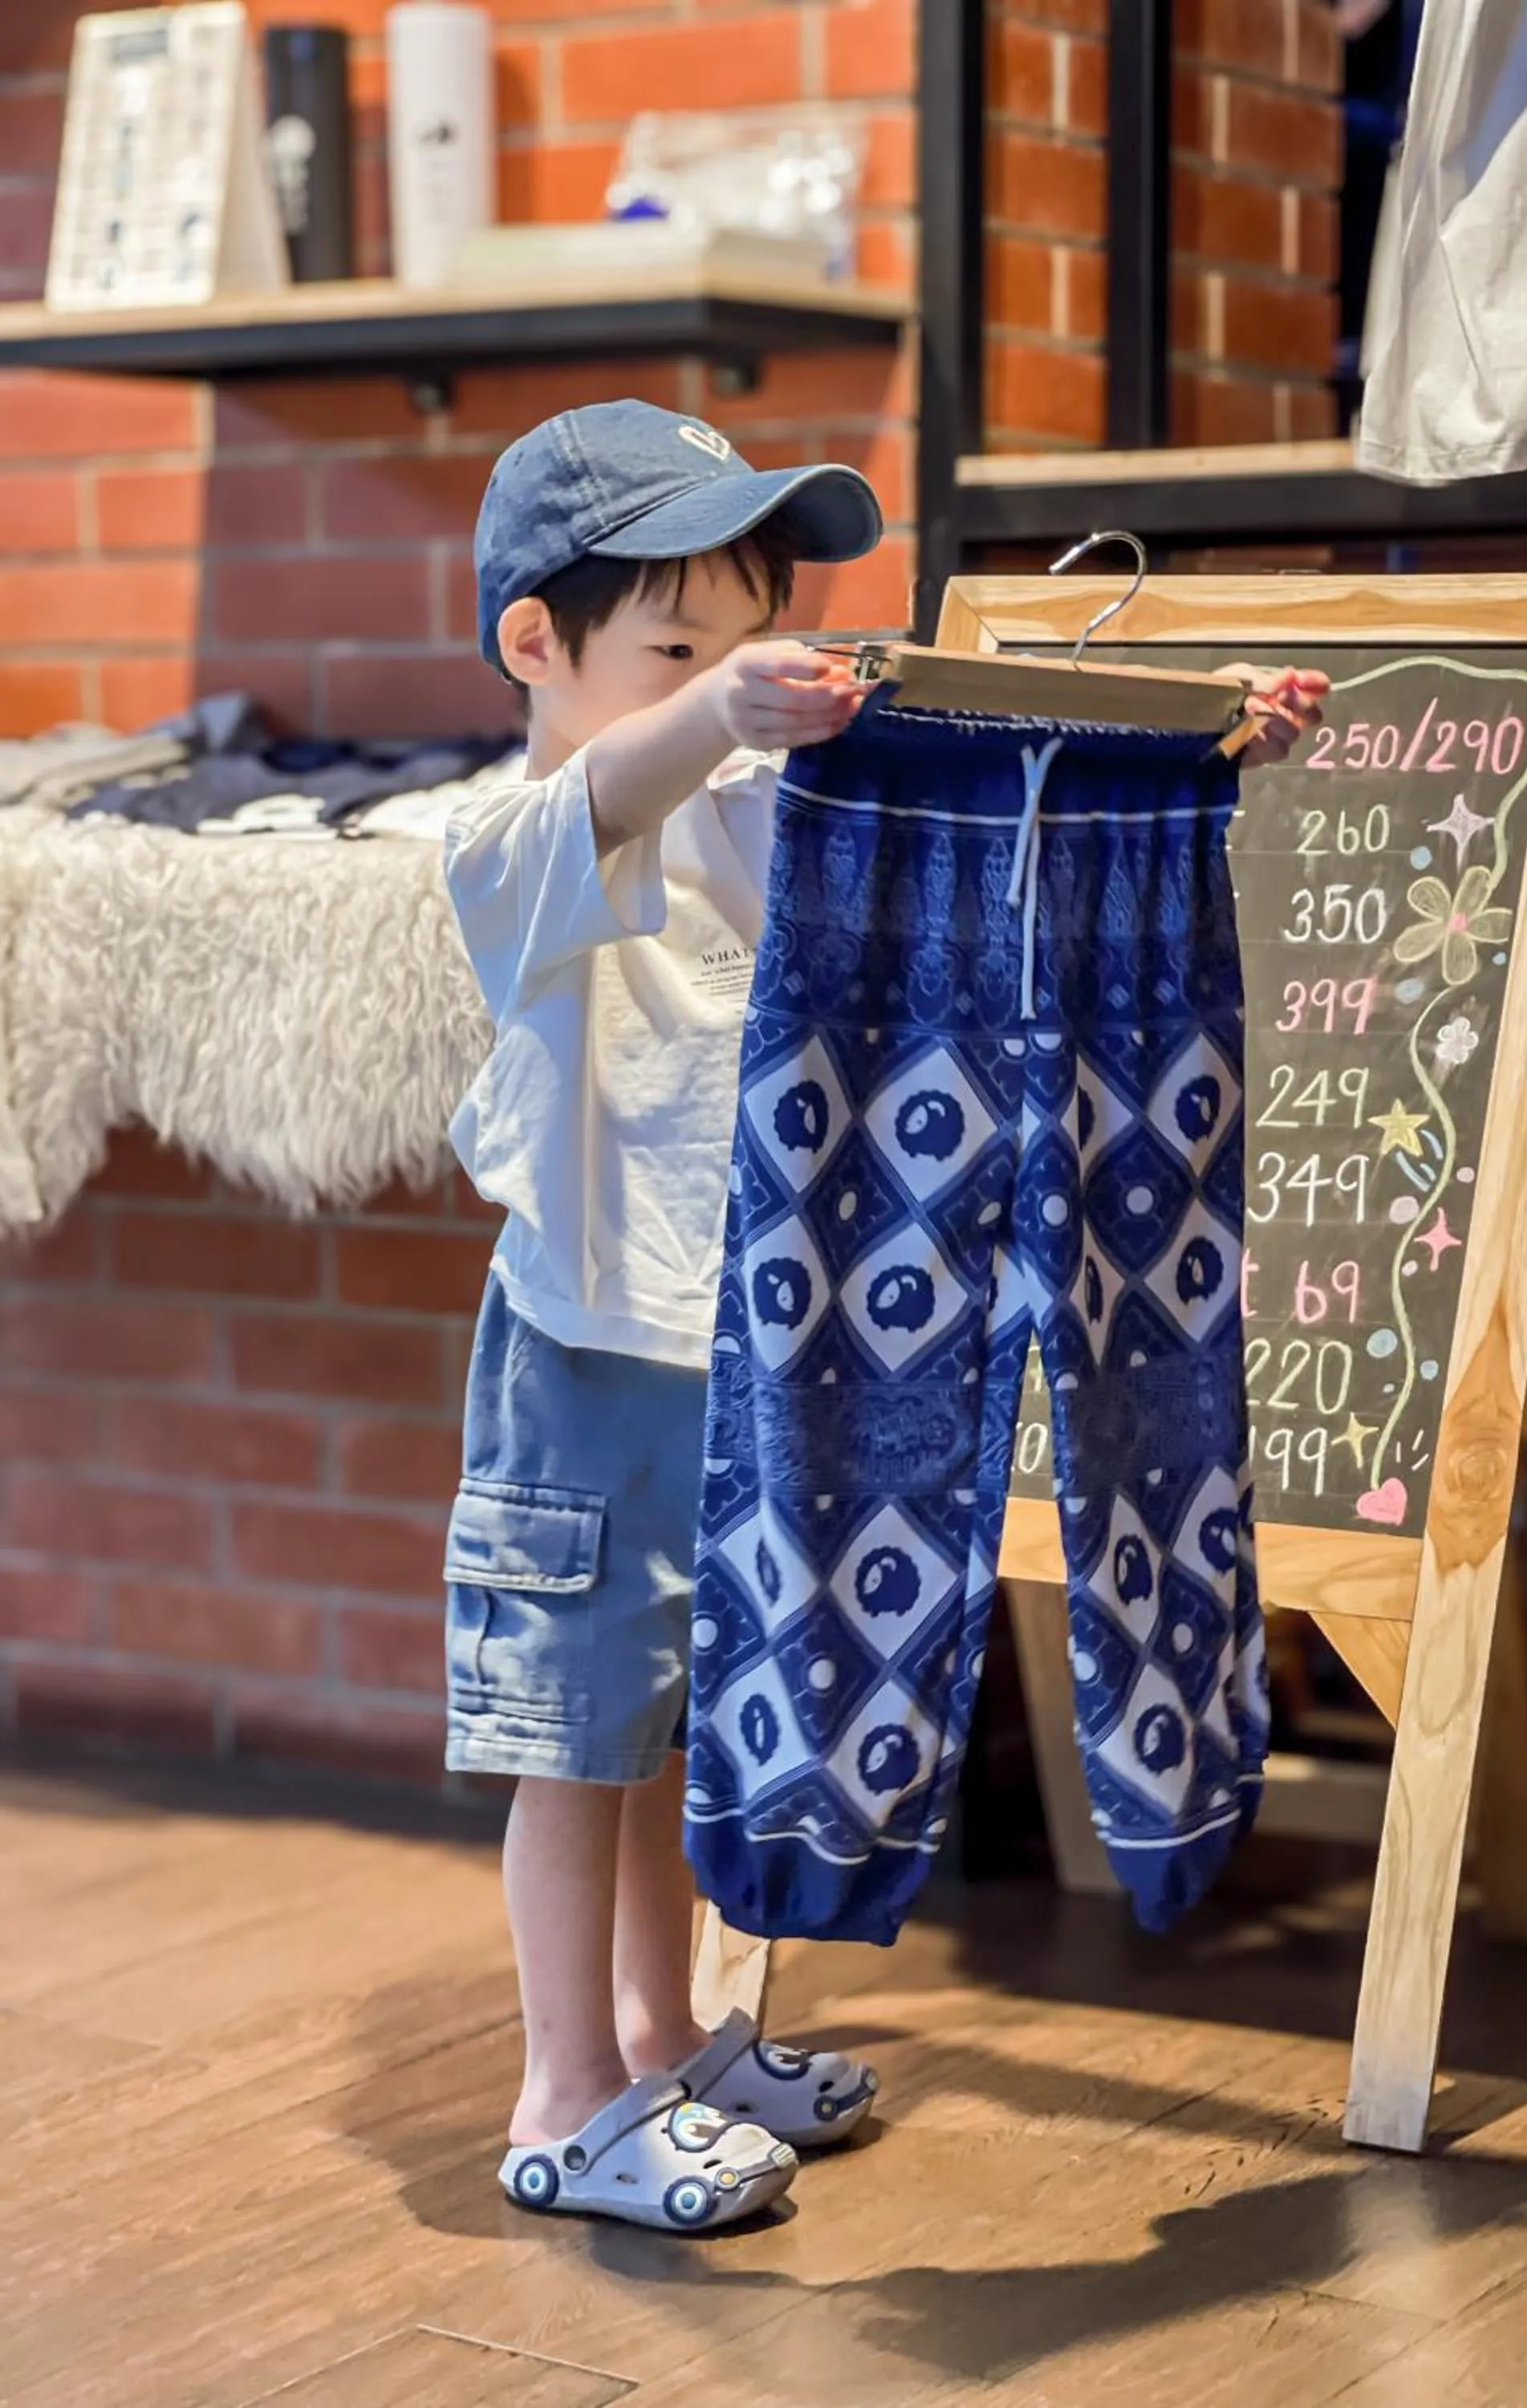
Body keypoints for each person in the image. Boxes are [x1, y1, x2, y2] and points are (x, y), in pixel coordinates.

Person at [442, 397, 1326, 2232]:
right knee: (578, 1736)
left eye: (749, 635)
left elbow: (991, 827)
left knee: (693, 1722)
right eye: (675, 646)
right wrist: (722, 710)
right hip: (592, 1360)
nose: (724, 677)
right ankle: (561, 2093)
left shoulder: (776, 810)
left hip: (770, 1360)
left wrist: (1199, 738)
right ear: (537, 641)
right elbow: (613, 795)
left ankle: (667, 2038)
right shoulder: (513, 838)